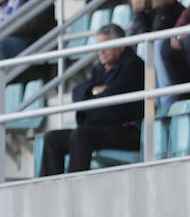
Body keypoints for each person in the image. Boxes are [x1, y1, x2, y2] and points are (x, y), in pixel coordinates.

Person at [38, 26, 145, 176]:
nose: (100, 51)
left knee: (81, 135)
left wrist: (94, 99)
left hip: (127, 130)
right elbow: (78, 92)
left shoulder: (134, 65)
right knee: (52, 139)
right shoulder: (99, 69)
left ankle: (75, 187)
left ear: (120, 46)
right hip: (101, 128)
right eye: (98, 47)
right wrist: (93, 91)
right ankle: (49, 191)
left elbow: (112, 102)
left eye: (105, 47)